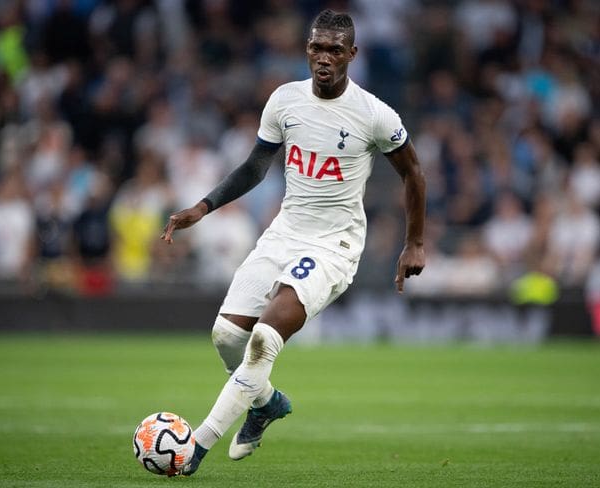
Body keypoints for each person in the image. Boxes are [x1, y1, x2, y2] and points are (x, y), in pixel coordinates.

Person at [161, 9, 426, 475]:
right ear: (307, 49)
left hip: (333, 246)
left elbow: (413, 173)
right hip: (283, 234)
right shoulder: (284, 100)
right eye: (316, 48)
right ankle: (265, 403)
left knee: (264, 338)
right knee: (226, 336)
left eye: (334, 50)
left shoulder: (374, 114)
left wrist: (415, 242)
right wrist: (202, 208)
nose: (324, 58)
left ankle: (194, 449)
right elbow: (254, 167)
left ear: (352, 55)